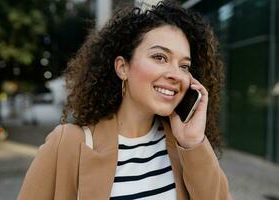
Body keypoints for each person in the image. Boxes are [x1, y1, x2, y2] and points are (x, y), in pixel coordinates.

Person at [18, 1, 232, 199]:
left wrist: (193, 143)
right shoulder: (67, 144)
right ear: (122, 68)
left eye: (184, 66)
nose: (176, 74)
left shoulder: (184, 148)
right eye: (160, 57)